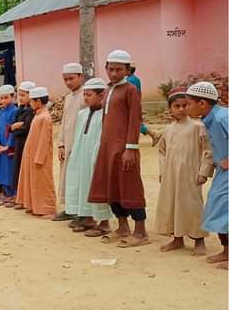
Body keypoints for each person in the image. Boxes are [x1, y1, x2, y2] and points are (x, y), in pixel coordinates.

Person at [88, 50, 149, 248]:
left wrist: (130, 147)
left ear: (127, 70)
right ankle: (122, 227)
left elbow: (134, 120)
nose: (114, 73)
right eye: (111, 69)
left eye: (119, 70)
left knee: (130, 186)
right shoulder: (107, 90)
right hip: (108, 148)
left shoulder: (130, 90)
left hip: (124, 148)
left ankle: (140, 232)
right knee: (111, 186)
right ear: (106, 68)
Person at [155, 87, 212, 255]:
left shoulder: (197, 127)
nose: (181, 109)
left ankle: (199, 240)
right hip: (170, 175)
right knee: (172, 204)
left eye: (184, 105)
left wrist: (203, 172)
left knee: (192, 205)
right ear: (170, 109)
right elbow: (162, 152)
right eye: (176, 106)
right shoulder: (168, 129)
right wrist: (162, 171)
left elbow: (208, 151)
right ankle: (177, 238)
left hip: (190, 173)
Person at [185, 81, 228, 269]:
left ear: (202, 103)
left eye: (189, 104)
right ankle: (226, 251)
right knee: (216, 209)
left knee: (225, 211)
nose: (187, 108)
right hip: (222, 172)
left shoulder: (222, 118)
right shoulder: (209, 120)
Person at [64, 78, 113, 236]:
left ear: (101, 95)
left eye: (89, 95)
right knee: (82, 184)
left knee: (98, 186)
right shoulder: (83, 114)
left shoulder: (106, 114)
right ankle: (88, 218)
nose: (85, 98)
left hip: (97, 155)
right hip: (82, 154)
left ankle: (104, 223)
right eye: (84, 95)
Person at [15, 87, 56, 218]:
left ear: (38, 101)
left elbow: (44, 140)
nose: (30, 103)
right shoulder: (38, 115)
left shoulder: (45, 117)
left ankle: (48, 208)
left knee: (44, 182)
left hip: (40, 156)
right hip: (32, 155)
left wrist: (39, 157)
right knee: (33, 182)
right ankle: (35, 206)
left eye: (32, 101)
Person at [53, 63, 85, 222]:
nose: (68, 82)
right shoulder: (68, 97)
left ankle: (80, 212)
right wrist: (61, 144)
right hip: (67, 145)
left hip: (80, 145)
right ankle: (70, 208)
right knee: (67, 178)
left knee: (79, 178)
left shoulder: (86, 96)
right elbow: (64, 122)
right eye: (65, 79)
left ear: (81, 77)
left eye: (71, 79)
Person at [10, 81, 36, 210]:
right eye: (19, 95)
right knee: (18, 171)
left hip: (26, 143)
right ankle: (20, 197)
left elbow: (26, 128)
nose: (20, 98)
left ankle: (27, 199)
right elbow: (12, 127)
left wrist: (18, 126)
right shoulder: (19, 110)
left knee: (26, 170)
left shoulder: (32, 111)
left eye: (23, 95)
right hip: (18, 143)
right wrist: (16, 126)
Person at [0, 85, 18, 206]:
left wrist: (8, 146)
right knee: (2, 171)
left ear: (12, 97)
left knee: (10, 171)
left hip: (9, 148)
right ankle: (7, 194)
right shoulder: (1, 112)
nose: (3, 101)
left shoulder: (15, 111)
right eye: (1, 98)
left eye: (6, 98)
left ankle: (14, 195)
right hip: (1, 147)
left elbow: (13, 131)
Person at [127, 63, 161, 146]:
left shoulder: (129, 80)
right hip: (136, 103)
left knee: (134, 122)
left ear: (129, 70)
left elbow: (130, 94)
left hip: (132, 104)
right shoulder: (136, 79)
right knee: (134, 122)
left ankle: (154, 134)